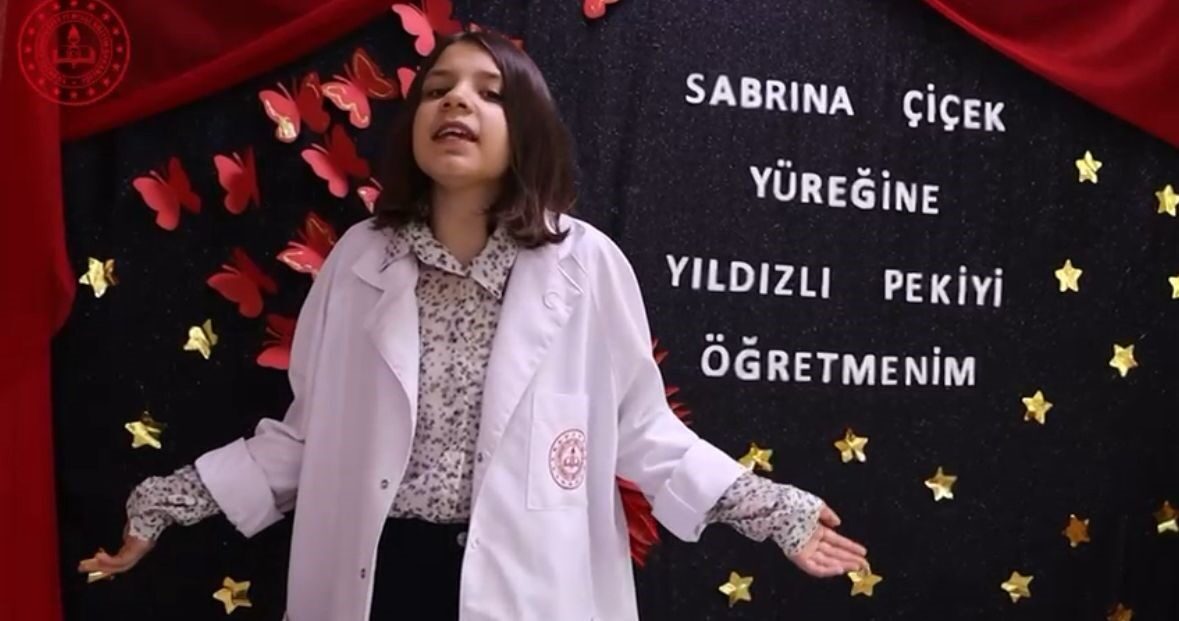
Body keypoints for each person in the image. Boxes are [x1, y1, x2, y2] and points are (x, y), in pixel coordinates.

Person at [78, 31, 868, 620]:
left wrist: (772, 510)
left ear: (527, 129)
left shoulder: (586, 265)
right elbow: (310, 436)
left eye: (489, 92)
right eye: (437, 89)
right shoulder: (360, 260)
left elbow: (643, 431)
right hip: (383, 577)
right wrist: (166, 501)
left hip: (526, 583)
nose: (455, 101)